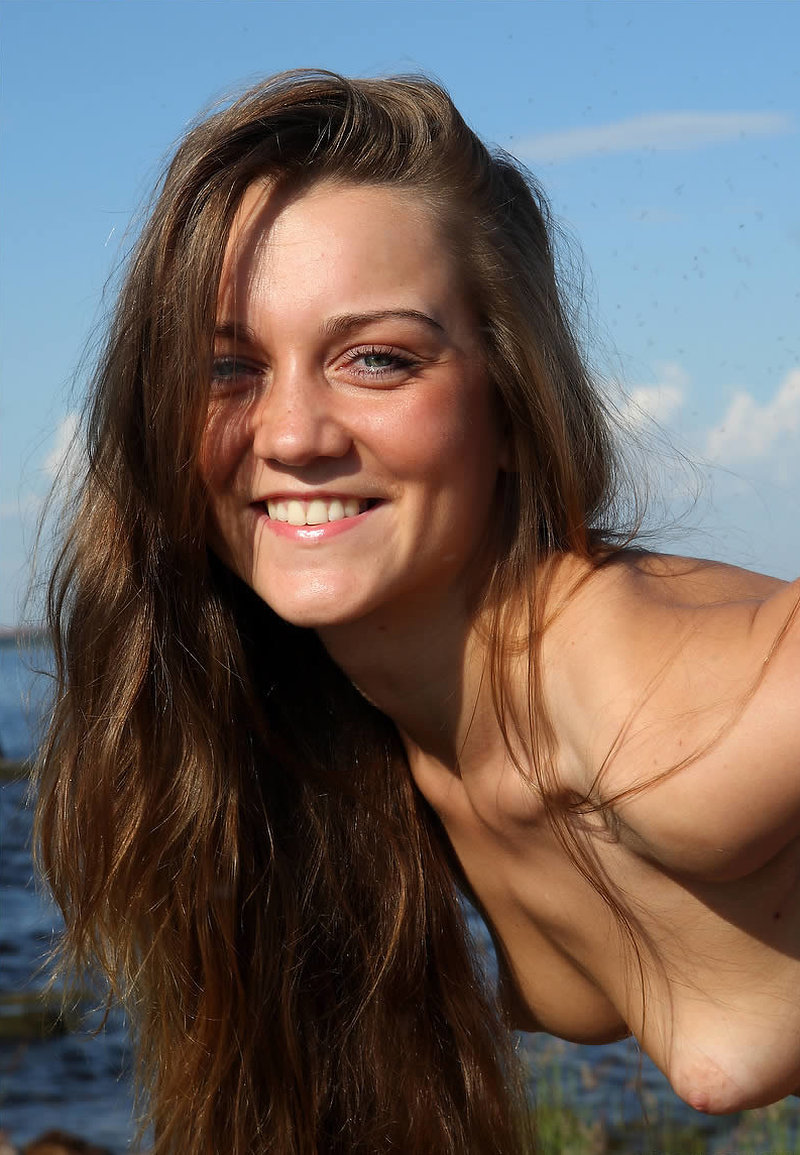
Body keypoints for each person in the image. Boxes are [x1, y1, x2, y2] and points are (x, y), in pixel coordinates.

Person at [35, 70, 800, 1154]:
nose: (292, 432)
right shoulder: (359, 744)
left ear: (512, 403)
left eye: (377, 359)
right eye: (228, 366)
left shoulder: (636, 696)